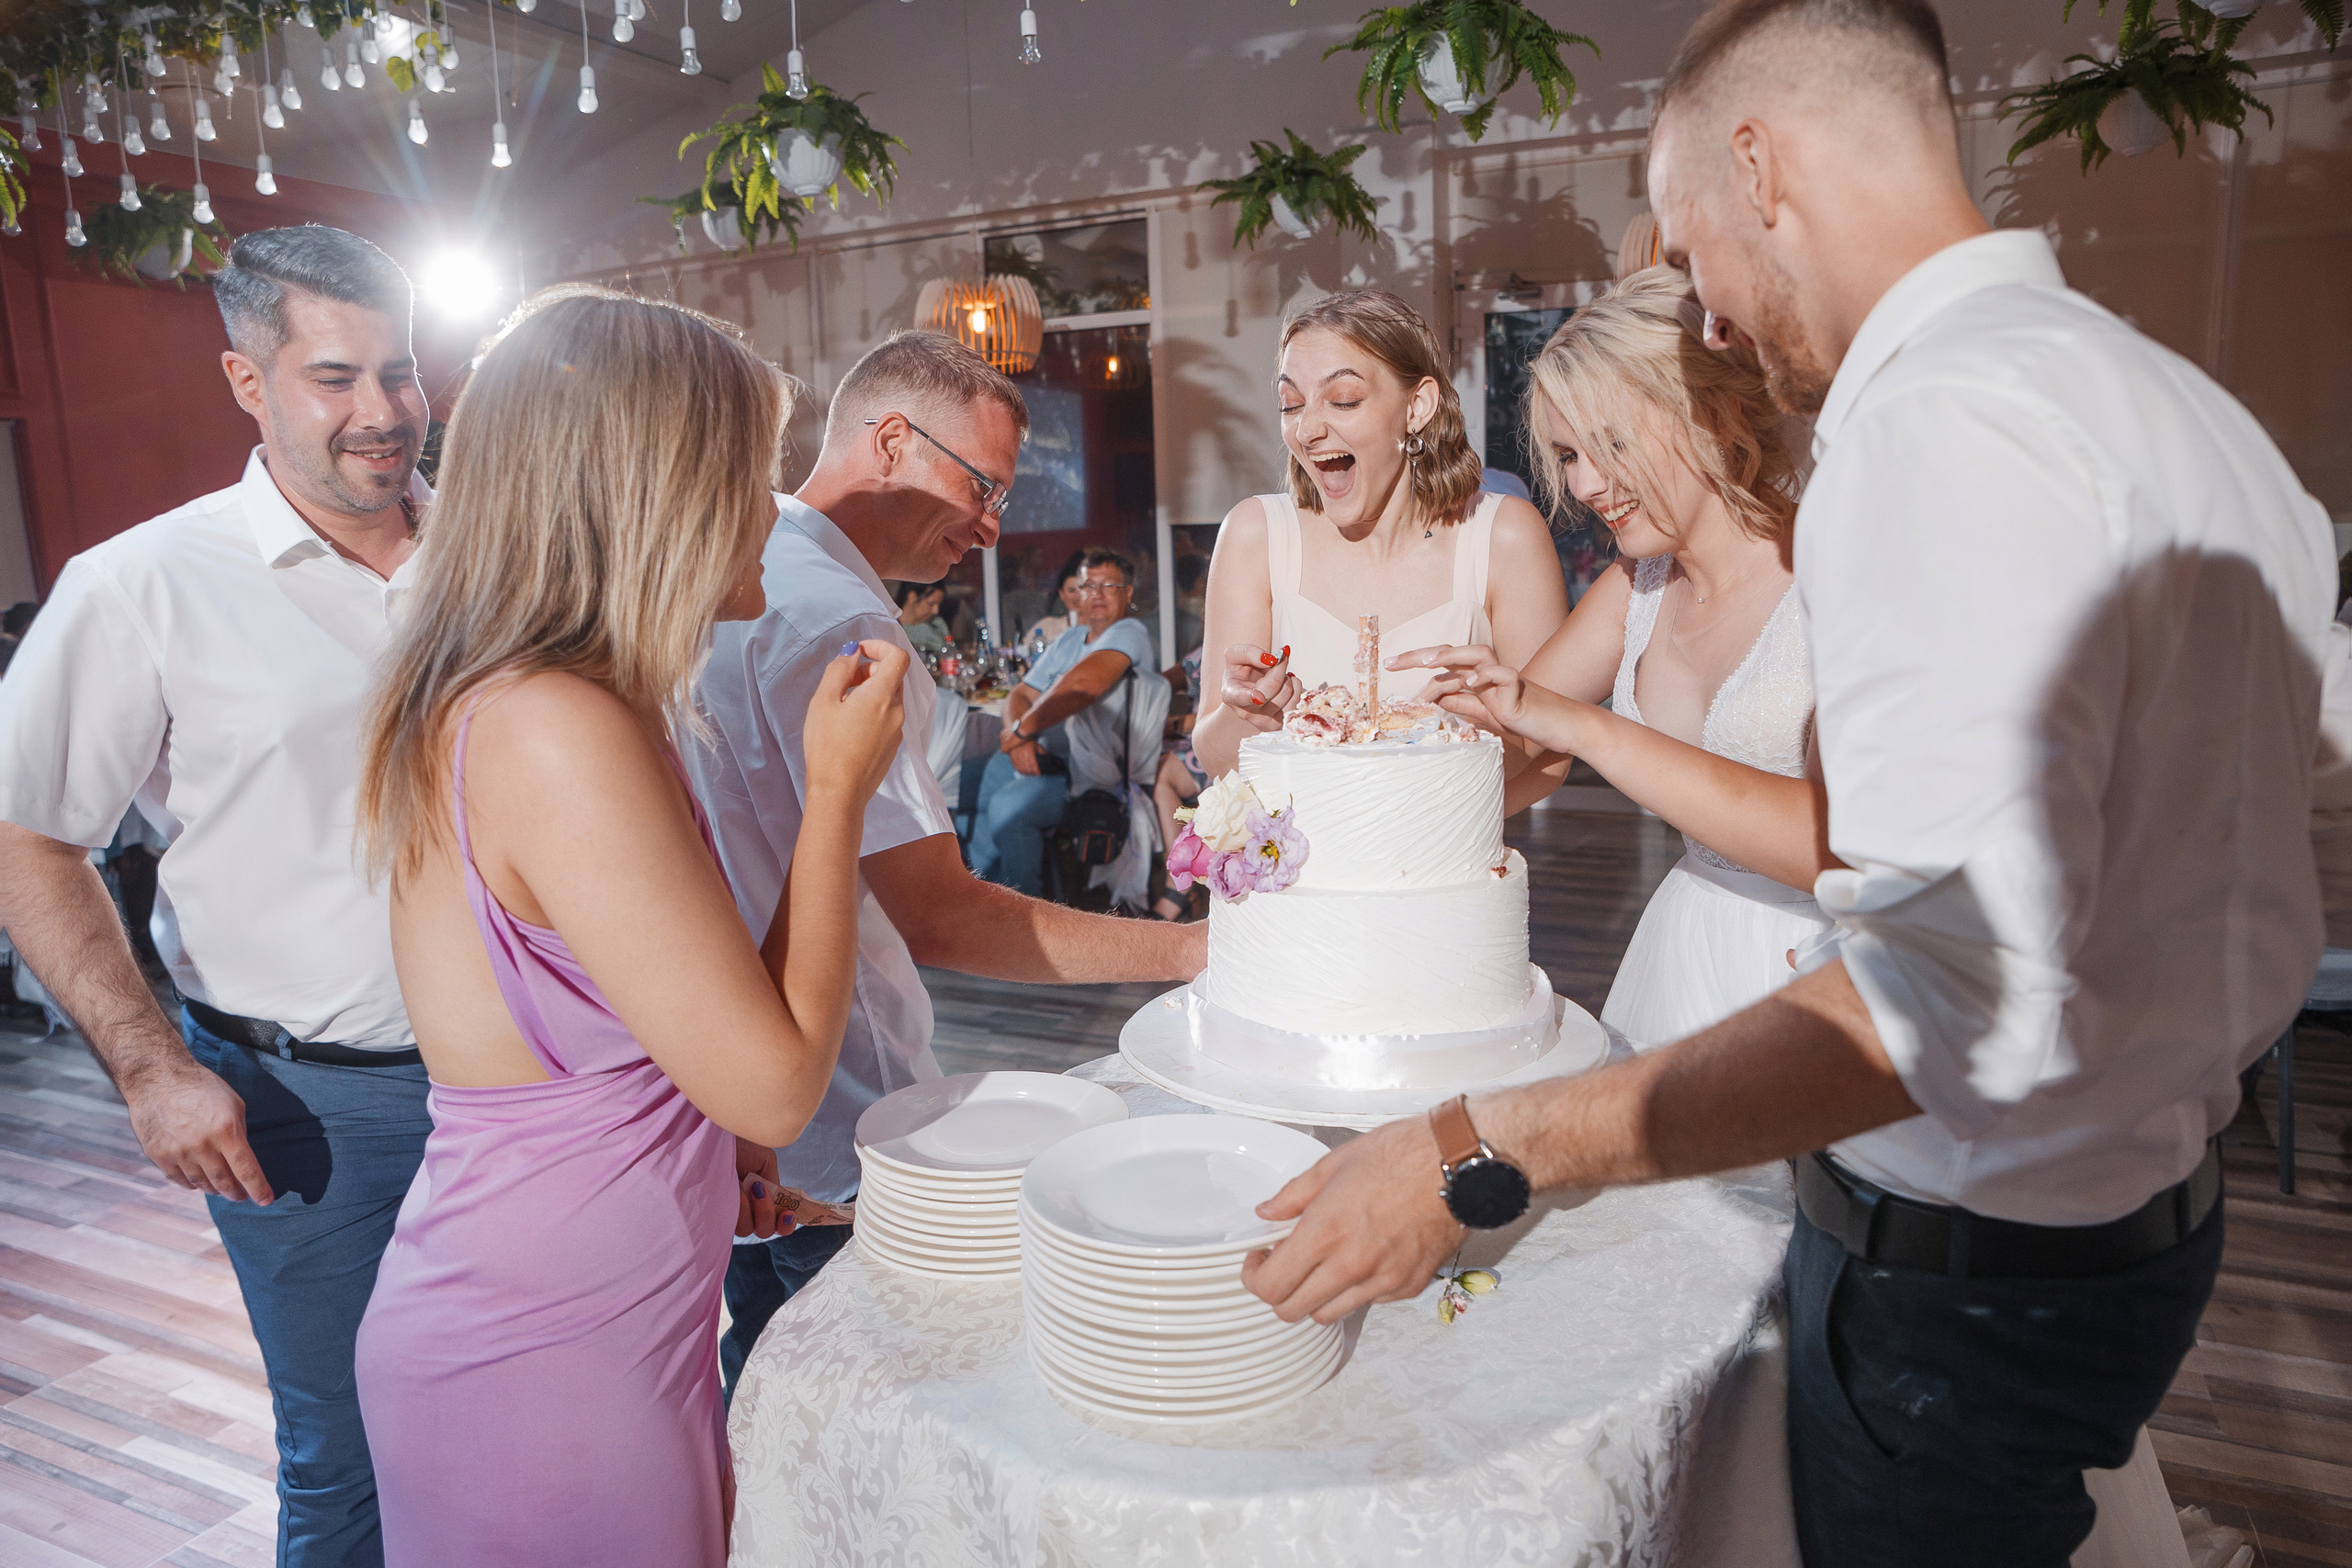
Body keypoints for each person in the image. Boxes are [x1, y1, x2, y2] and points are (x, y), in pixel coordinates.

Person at [1239, 6, 2334, 1568]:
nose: (1717, 323)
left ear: (1760, 167)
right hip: (2142, 1225)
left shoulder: (1930, 431)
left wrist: (1477, 1144)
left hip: (1956, 1268)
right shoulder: (2197, 423)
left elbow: (1928, 998)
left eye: (1693, 251)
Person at [350, 287, 908, 1566]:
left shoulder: (573, 701)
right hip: (542, 1363)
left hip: (594, 1322)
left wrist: (708, 1162)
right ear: (650, 492)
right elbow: (774, 1076)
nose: (772, 511)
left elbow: (689, 1033)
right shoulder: (554, 724)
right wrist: (836, 794)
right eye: (744, 474)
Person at [0, 225, 433, 1568]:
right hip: (314, 1111)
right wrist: (148, 1069)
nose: (384, 412)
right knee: (346, 1458)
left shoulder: (500, 543)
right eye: (335, 375)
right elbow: (27, 837)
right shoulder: (138, 583)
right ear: (247, 381)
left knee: (535, 1414)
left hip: (539, 1085)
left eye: (404, 370)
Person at [689, 334, 1206, 1390]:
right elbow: (942, 917)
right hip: (840, 1104)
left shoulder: (736, 574)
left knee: (767, 1395)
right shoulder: (839, 617)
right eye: (981, 487)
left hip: (729, 1098)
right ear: (888, 439)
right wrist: (1196, 951)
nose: (988, 527)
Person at [1400, 266, 1827, 1047]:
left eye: (1612, 445)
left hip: (1821, 968)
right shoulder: (1636, 584)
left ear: (1709, 415)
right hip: (1687, 952)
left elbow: (1833, 850)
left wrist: (1587, 729)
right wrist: (1370, 737)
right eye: (1568, 455)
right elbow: (1510, 732)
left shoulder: (1835, 574)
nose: (1587, 483)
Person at [1189, 288, 1569, 801]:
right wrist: (1243, 713)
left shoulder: (1504, 536)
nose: (1307, 429)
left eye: (1343, 400)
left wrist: (1413, 823)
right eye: (1291, 404)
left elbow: (1550, 757)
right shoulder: (1255, 535)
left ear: (1417, 406)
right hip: (1294, 873)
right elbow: (1214, 759)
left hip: (1438, 870)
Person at [967, 547, 1159, 897]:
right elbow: (1020, 694)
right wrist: (1019, 738)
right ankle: (981, 890)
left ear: (1127, 592)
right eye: (1088, 586)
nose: (1096, 595)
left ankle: (1024, 909)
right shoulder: (1071, 638)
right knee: (979, 780)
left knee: (1008, 809)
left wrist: (1021, 731)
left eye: (1108, 586)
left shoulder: (1129, 632)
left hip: (1091, 775)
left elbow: (1084, 686)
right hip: (1046, 755)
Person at [896, 578, 952, 656]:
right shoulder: (892, 627)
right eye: (931, 604)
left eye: (938, 605)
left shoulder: (937, 624)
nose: (936, 611)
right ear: (912, 597)